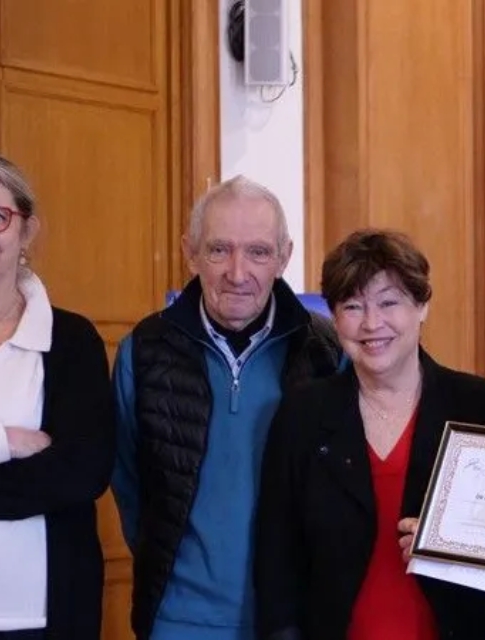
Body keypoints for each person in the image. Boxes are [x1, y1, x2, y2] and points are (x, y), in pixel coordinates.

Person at [111, 176, 343, 640]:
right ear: (190, 252)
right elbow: (128, 482)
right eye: (219, 250)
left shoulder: (324, 350)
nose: (238, 273)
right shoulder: (144, 349)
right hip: (177, 621)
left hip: (292, 620)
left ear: (284, 256)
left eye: (258, 252)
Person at [255, 229, 485, 640]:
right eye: (353, 306)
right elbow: (276, 558)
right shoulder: (302, 413)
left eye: (389, 302)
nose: (372, 324)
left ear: (422, 306)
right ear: (334, 317)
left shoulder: (484, 407)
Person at [0, 154, 114, 639]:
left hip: (45, 619)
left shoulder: (72, 340)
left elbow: (83, 471)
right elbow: (49, 471)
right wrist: (8, 441)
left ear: (26, 231)